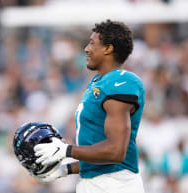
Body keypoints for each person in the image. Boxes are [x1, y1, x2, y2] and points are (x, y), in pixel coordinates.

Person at [33, 19, 145, 193]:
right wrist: (66, 169)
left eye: (92, 43)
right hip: (95, 183)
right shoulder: (97, 82)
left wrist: (66, 150)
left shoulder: (121, 81)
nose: (86, 48)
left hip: (115, 184)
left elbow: (116, 152)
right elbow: (98, 151)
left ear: (108, 48)